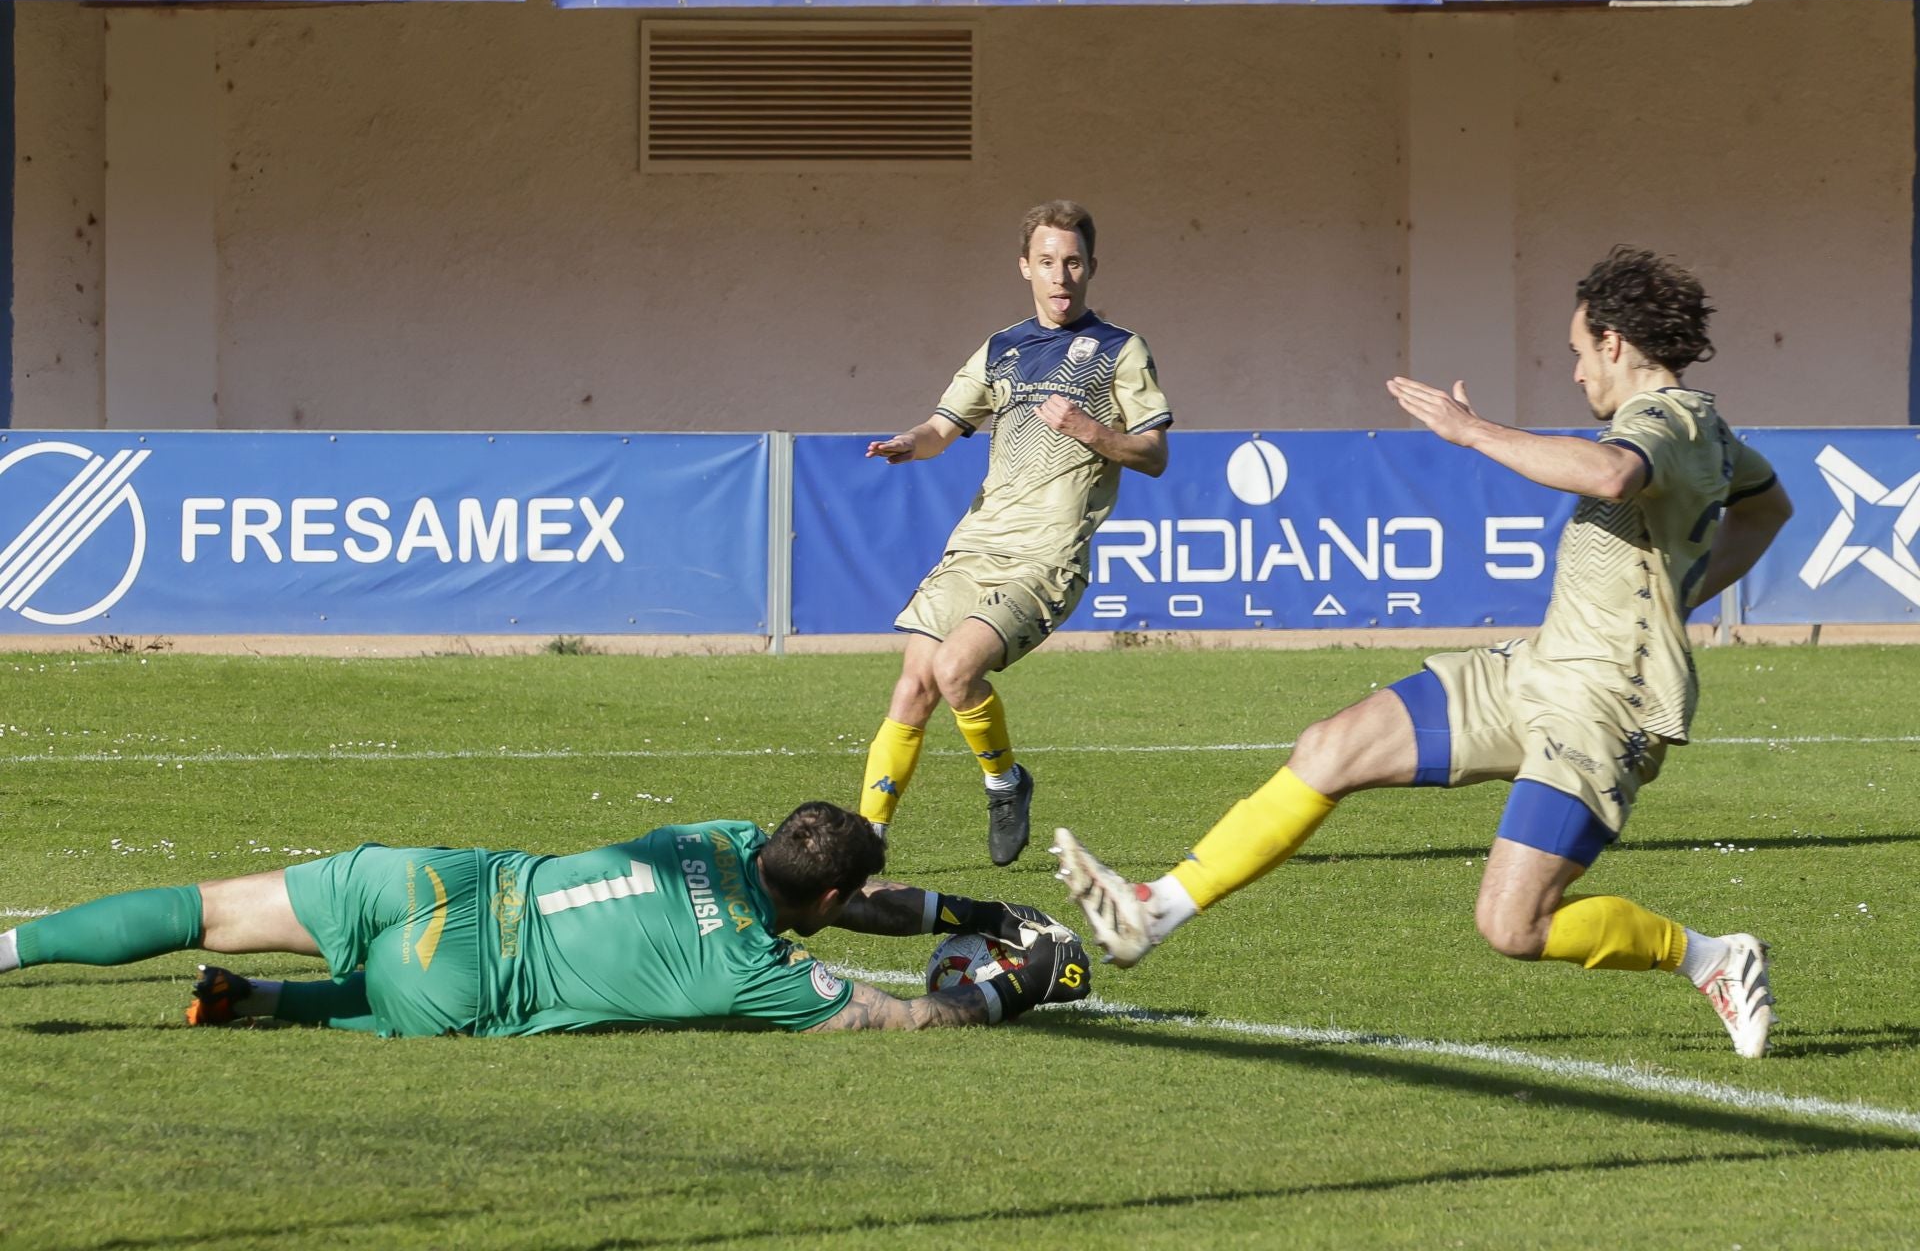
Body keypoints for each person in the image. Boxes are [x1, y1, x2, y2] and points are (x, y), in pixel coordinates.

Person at [1053, 246, 1795, 1057]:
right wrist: (1678, 591)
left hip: (1602, 705)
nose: (1578, 372)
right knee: (1330, 747)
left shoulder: (1664, 421)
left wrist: (1473, 432)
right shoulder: (1709, 431)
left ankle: (1712, 958)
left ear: (1616, 343)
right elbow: (1768, 511)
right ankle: (1151, 911)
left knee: (1513, 926)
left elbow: (1613, 476)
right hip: (1537, 668)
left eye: (1581, 352)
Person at [0, 801, 1091, 1034]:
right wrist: (997, 983)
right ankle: (276, 1008)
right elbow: (888, 1017)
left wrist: (979, 905)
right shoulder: (759, 969)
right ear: (828, 903)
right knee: (409, 997)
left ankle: (10, 947)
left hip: (438, 882)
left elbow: (835, 903)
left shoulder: (714, 834)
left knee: (205, 904)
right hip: (459, 973)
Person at [861, 200, 1173, 865]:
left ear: (1091, 268)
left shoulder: (1120, 350)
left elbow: (1154, 453)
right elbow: (942, 429)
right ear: (1025, 267)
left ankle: (1005, 784)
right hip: (976, 544)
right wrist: (905, 443)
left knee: (953, 669)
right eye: (1048, 262)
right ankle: (867, 842)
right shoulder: (1002, 349)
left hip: (1045, 559)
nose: (1061, 276)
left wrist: (1093, 431)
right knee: (914, 681)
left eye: (1074, 262)